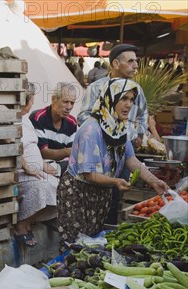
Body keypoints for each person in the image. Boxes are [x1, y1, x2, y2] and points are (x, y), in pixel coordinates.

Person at [57, 78, 169, 253]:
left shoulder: (119, 127)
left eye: (131, 100)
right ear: (110, 99)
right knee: (74, 248)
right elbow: (90, 174)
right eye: (123, 99)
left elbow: (131, 160)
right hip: (78, 194)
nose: (129, 104)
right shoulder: (91, 130)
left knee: (92, 245)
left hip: (100, 193)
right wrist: (116, 182)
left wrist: (154, 181)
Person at [77, 43, 148, 224]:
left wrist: (138, 134)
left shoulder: (136, 89)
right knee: (96, 194)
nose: (135, 65)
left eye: (136, 61)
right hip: (99, 154)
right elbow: (83, 117)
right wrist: (107, 131)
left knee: (115, 195)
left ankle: (106, 231)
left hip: (124, 152)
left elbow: (143, 115)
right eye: (130, 61)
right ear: (116, 63)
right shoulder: (96, 88)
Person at [14, 84, 59, 248]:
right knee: (41, 186)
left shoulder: (25, 120)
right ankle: (21, 226)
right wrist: (26, 166)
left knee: (58, 185)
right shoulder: (10, 119)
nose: (33, 103)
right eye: (32, 99)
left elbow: (33, 146)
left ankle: (32, 220)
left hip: (35, 170)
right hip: (20, 171)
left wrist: (43, 165)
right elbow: (12, 147)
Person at [29, 82, 78, 176]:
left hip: (60, 168)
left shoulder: (72, 122)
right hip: (41, 168)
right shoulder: (38, 118)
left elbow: (71, 155)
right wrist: (67, 151)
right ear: (53, 99)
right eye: (65, 102)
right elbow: (43, 153)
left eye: (72, 103)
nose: (69, 107)